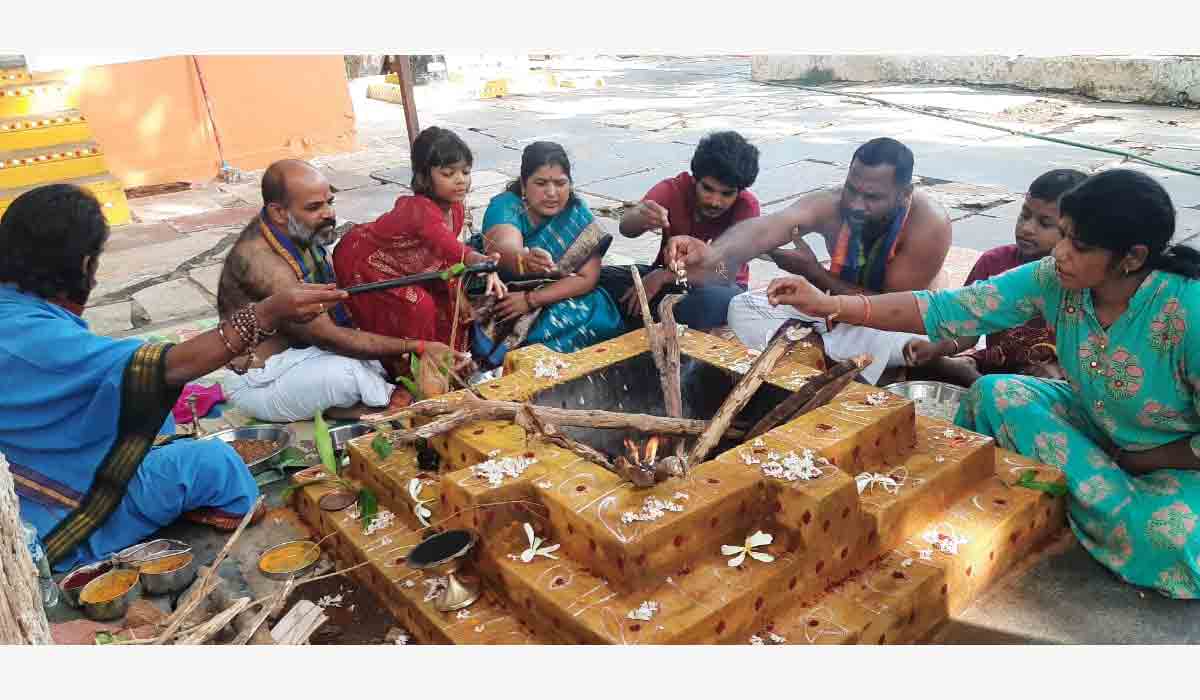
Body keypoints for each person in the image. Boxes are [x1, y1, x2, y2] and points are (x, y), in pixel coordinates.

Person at [761, 169, 1200, 599]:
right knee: (995, 393)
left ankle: (1086, 497)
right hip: (1096, 424)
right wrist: (829, 303)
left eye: (1078, 245)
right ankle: (1092, 497)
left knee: (1167, 538)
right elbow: (949, 310)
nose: (1061, 252)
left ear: (1133, 258)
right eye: (1063, 234)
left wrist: (1140, 459)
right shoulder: (1055, 278)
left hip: (1176, 460)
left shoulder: (1188, 310)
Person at [0, 184, 347, 571]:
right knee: (215, 463)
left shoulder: (14, 311)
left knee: (154, 410)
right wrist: (265, 314)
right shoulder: (36, 339)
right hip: (48, 518)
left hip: (25, 481)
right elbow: (166, 367)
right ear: (83, 265)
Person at [667, 137, 952, 384]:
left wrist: (815, 274)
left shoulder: (928, 225)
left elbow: (890, 310)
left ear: (904, 195)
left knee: (892, 341)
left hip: (892, 319)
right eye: (851, 189)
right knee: (742, 308)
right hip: (831, 311)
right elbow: (770, 226)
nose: (855, 203)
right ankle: (827, 351)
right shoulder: (833, 203)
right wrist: (713, 253)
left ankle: (836, 355)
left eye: (872, 197)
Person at [219, 158, 470, 423]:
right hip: (258, 378)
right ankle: (364, 408)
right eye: (315, 207)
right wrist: (417, 346)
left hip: (306, 353)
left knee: (387, 350)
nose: (328, 213)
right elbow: (328, 336)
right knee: (348, 375)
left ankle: (352, 403)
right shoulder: (263, 262)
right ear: (279, 212)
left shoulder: (300, 230)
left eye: (330, 202)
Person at [904, 168, 1089, 386]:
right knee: (922, 365)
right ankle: (974, 378)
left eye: (1045, 223)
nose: (1027, 228)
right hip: (992, 369)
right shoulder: (994, 262)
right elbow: (967, 326)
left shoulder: (1081, 278)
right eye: (1025, 215)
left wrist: (1058, 369)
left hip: (1048, 380)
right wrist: (938, 347)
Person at [333, 127, 501, 358]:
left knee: (449, 304)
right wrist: (481, 260)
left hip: (406, 264)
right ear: (423, 177)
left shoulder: (456, 209)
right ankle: (409, 366)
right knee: (418, 306)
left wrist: (459, 295)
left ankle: (451, 360)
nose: (460, 180)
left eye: (465, 171)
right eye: (448, 174)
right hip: (368, 261)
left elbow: (445, 257)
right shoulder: (417, 208)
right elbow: (450, 247)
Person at [470, 141, 624, 366]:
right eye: (541, 183)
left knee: (593, 310)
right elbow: (503, 247)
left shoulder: (576, 212)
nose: (552, 193)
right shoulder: (506, 206)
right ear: (524, 185)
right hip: (507, 292)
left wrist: (532, 299)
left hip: (554, 294)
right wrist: (524, 260)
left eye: (560, 183)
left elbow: (587, 278)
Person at [597, 131, 761, 330]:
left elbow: (725, 273)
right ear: (694, 180)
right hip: (668, 280)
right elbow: (626, 228)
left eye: (727, 194)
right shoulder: (673, 189)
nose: (715, 201)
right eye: (707, 189)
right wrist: (639, 217)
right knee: (598, 279)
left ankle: (655, 323)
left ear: (740, 190)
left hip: (720, 285)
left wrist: (665, 276)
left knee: (712, 302)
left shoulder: (747, 207)